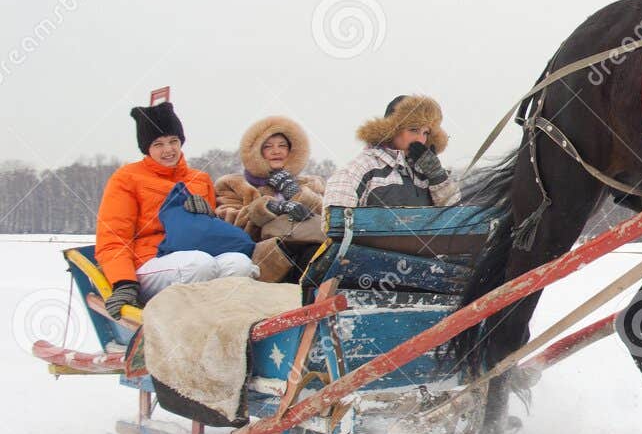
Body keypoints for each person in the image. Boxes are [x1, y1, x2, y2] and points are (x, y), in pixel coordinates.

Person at [96, 101, 257, 317]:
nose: (168, 150)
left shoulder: (200, 179)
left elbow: (206, 231)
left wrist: (207, 216)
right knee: (198, 264)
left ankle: (225, 324)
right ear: (147, 148)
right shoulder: (127, 178)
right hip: (149, 262)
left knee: (240, 264)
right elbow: (113, 238)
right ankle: (184, 328)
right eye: (158, 144)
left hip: (197, 256)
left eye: (173, 141)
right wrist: (124, 282)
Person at [214, 115, 327, 283]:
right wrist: (270, 208)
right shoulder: (234, 184)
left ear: (291, 151)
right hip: (264, 257)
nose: (276, 151)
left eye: (282, 146)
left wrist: (296, 193)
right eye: (268, 147)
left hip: (308, 250)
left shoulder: (310, 184)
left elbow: (328, 217)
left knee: (318, 253)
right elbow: (230, 223)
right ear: (257, 152)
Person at [324, 94, 459, 209]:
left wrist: (437, 175)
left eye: (426, 132)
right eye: (413, 130)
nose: (420, 139)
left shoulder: (425, 172)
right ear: (392, 129)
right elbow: (337, 220)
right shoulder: (363, 167)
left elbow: (455, 217)